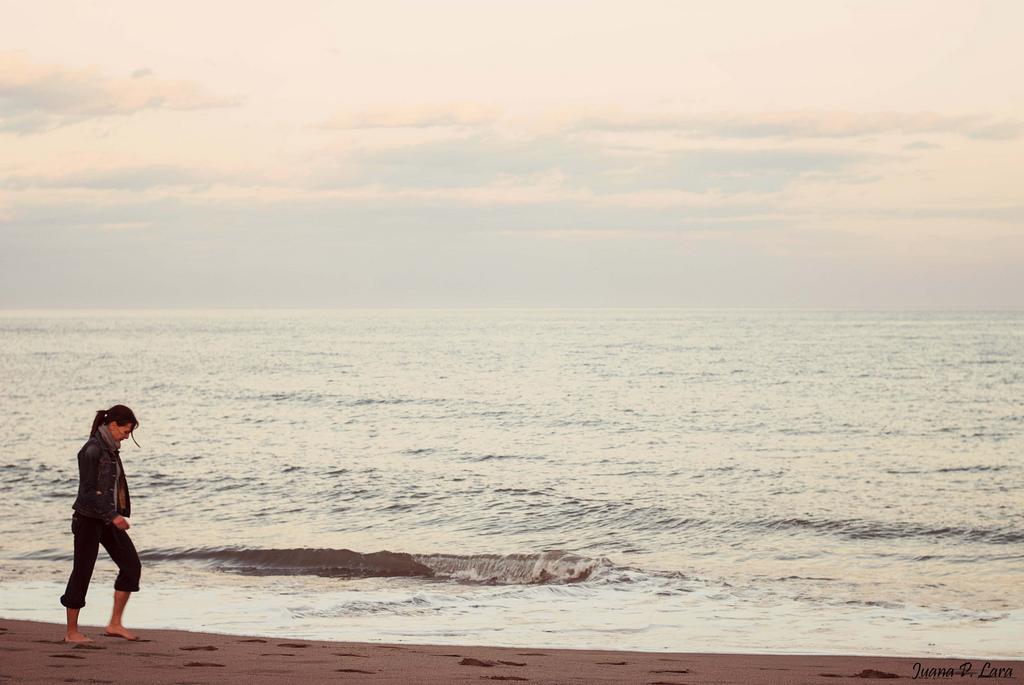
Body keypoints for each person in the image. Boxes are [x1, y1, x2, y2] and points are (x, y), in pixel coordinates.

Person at [60, 405, 142, 643]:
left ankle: (115, 624)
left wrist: (115, 513)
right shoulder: (92, 449)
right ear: (113, 425)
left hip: (107, 518)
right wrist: (113, 515)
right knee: (82, 572)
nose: (126, 437)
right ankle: (71, 632)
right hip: (88, 519)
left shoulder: (111, 450)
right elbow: (86, 491)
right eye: (126, 432)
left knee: (131, 566)